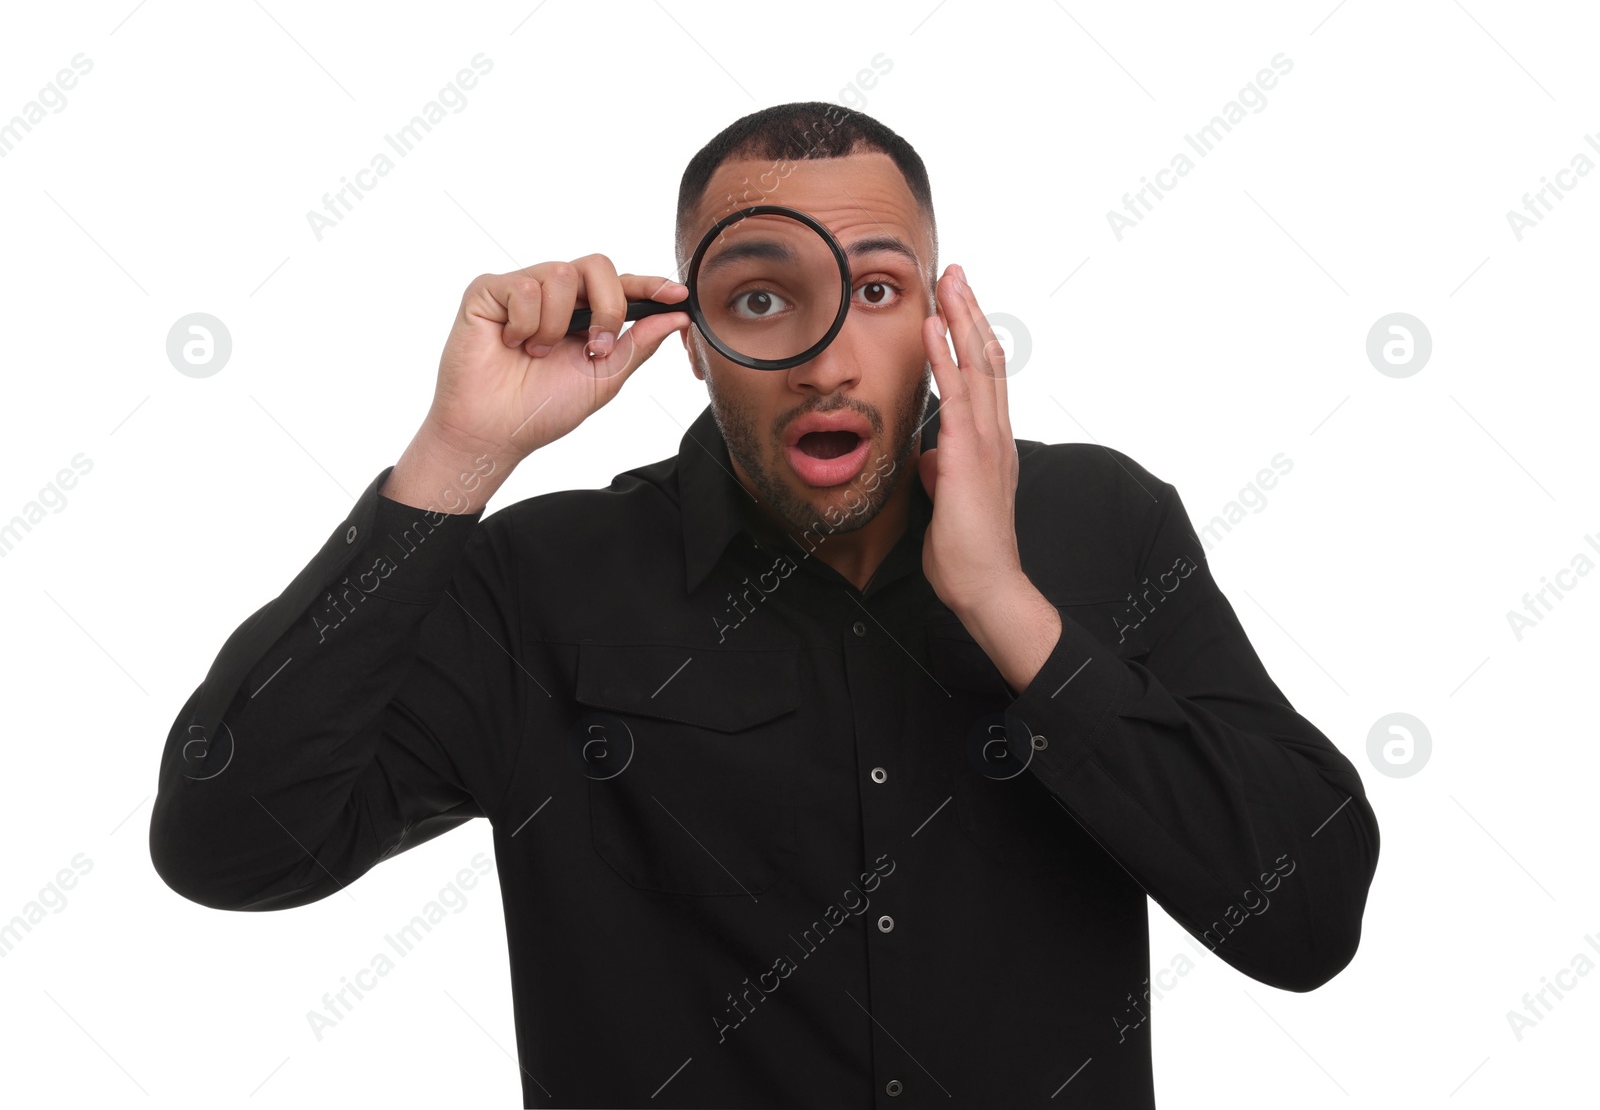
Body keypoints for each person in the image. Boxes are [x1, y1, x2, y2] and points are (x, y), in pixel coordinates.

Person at [149, 101, 1379, 1108]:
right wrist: (454, 460)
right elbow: (230, 844)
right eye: (757, 298)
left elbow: (1306, 917)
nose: (827, 355)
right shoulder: (541, 580)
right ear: (688, 335)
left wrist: (1007, 609)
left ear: (947, 320)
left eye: (879, 293)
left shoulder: (1099, 529)